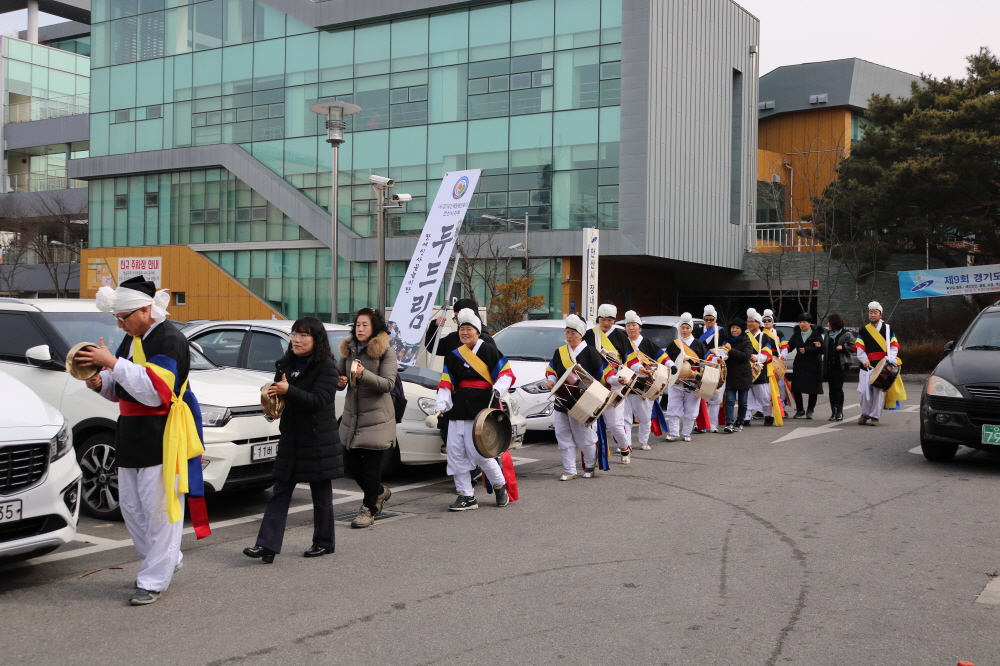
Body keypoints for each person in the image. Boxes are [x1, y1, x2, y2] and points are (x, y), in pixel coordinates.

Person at [80, 276, 207, 606]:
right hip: (130, 431)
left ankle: (153, 579)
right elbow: (121, 387)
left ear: (144, 310)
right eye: (117, 318)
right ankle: (165, 559)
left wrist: (112, 363)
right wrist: (99, 381)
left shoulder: (170, 339)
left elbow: (155, 391)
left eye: (122, 318)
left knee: (159, 509)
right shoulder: (131, 339)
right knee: (132, 508)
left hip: (162, 431)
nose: (119, 325)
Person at [244, 317, 343, 563]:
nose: (296, 340)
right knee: (280, 491)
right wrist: (273, 404)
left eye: (303, 335)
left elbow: (319, 400)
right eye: (294, 334)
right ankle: (266, 544)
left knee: (321, 494)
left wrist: (289, 391)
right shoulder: (286, 363)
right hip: (291, 437)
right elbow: (282, 398)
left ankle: (324, 542)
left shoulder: (327, 367)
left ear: (316, 339)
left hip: (318, 438)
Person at [435, 308, 514, 509]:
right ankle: (466, 495)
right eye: (462, 329)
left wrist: (499, 388)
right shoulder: (454, 355)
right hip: (459, 407)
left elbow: (506, 374)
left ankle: (500, 485)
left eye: (468, 329)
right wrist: (442, 401)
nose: (464, 333)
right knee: (455, 453)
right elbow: (447, 381)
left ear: (477, 331)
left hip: (482, 407)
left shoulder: (489, 350)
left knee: (480, 453)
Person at [337, 308, 398, 528]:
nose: (360, 329)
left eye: (365, 325)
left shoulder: (386, 353)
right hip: (352, 417)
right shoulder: (349, 350)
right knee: (350, 464)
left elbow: (388, 385)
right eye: (358, 325)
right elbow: (339, 375)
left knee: (371, 468)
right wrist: (339, 381)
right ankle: (379, 492)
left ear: (375, 328)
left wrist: (364, 374)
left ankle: (368, 509)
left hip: (377, 418)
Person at [546, 314, 606, 480]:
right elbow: (552, 371)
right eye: (567, 332)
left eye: (573, 333)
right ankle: (569, 470)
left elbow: (600, 376)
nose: (569, 336)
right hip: (562, 400)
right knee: (562, 435)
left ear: (581, 334)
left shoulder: (590, 352)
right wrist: (551, 381)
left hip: (583, 401)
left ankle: (590, 465)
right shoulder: (560, 352)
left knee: (584, 436)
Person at [583, 302, 633, 463]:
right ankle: (596, 456)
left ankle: (624, 446)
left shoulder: (621, 336)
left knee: (614, 424)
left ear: (614, 320)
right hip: (594, 382)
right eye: (603, 319)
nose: (605, 323)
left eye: (609, 320)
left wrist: (629, 375)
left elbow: (629, 360)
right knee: (591, 423)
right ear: (598, 319)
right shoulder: (589, 335)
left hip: (615, 382)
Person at [621, 310, 673, 451]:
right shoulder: (623, 343)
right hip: (625, 383)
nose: (631, 328)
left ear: (639, 327)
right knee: (624, 418)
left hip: (644, 383)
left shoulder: (647, 343)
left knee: (644, 416)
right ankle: (626, 444)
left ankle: (643, 441)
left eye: (633, 325)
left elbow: (661, 356)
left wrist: (671, 365)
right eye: (628, 325)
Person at [664, 313, 712, 442]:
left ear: (691, 329)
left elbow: (708, 359)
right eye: (682, 327)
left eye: (687, 328)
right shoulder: (673, 344)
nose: (685, 330)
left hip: (693, 382)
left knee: (691, 409)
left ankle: (686, 433)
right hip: (676, 381)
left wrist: (716, 359)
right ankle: (674, 433)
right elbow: (665, 359)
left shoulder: (698, 344)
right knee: (673, 407)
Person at [855, 301, 899, 426]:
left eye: (875, 312)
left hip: (882, 366)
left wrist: (890, 359)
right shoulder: (864, 330)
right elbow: (859, 347)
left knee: (878, 392)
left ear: (881, 314)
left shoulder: (888, 329)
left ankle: (875, 416)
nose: (873, 315)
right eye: (871, 312)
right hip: (867, 365)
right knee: (863, 391)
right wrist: (864, 360)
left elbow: (894, 346)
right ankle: (865, 413)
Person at [745, 309, 780, 426]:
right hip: (746, 368)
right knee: (747, 395)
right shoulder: (745, 336)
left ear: (758, 323)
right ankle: (746, 417)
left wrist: (756, 358)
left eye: (752, 321)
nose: (749, 323)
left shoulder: (764, 337)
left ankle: (768, 415)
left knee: (763, 395)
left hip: (760, 369)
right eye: (748, 321)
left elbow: (767, 353)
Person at [788, 313, 826, 419]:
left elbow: (822, 350)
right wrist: (781, 350)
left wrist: (810, 349)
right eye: (800, 322)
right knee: (796, 388)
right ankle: (800, 410)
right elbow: (789, 346)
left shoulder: (816, 334)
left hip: (814, 365)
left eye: (804, 322)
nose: (802, 324)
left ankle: (810, 410)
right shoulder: (797, 334)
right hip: (800, 365)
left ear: (810, 323)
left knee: (813, 389)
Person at [721, 318, 754, 434]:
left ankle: (740, 421)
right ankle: (729, 423)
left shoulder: (746, 341)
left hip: (743, 375)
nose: (734, 330)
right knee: (730, 400)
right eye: (732, 328)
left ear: (742, 330)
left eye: (737, 328)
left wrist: (731, 350)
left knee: (742, 402)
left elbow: (746, 356)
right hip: (730, 375)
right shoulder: (725, 341)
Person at [698, 305, 726, 432]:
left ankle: (713, 424)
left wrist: (719, 355)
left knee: (716, 397)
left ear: (715, 320)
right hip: (702, 366)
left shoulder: (722, 331)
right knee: (701, 396)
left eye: (711, 319)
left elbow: (725, 349)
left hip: (716, 366)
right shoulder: (698, 331)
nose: (708, 321)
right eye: (706, 319)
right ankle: (702, 424)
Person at [825, 314, 855, 421]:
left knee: (838, 388)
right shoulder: (827, 334)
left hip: (841, 365)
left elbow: (854, 347)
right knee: (831, 389)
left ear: (834, 323)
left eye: (829, 322)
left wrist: (843, 348)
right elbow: (825, 349)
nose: (827, 324)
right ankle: (833, 412)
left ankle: (839, 412)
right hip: (829, 365)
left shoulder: (846, 334)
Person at [762, 309, 790, 408]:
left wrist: (783, 355)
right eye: (764, 320)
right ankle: (763, 409)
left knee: (780, 385)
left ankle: (781, 407)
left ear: (772, 322)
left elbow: (784, 346)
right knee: (764, 386)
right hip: (764, 361)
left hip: (776, 361)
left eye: (769, 320)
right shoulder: (760, 333)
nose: (766, 322)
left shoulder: (778, 333)